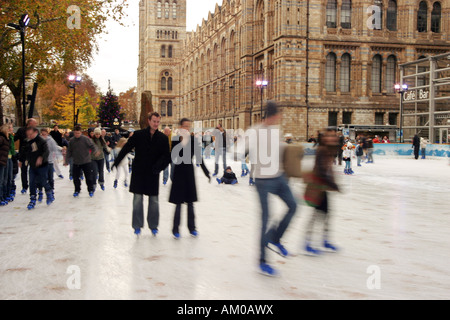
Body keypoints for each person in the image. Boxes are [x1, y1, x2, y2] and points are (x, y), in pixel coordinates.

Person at [249, 101, 298, 276]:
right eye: (278, 115)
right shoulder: (255, 131)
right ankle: (262, 261)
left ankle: (275, 238)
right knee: (265, 218)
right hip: (263, 180)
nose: (279, 118)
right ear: (273, 115)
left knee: (293, 205)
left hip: (278, 177)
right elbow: (243, 150)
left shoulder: (275, 131)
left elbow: (279, 149)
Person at [113, 112, 171, 237]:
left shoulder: (162, 138)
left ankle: (153, 226)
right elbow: (126, 148)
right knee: (137, 200)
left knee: (154, 201)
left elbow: (166, 157)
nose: (156, 124)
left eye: (157, 122)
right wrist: (117, 162)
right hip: (139, 173)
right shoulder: (138, 135)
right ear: (149, 121)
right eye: (154, 121)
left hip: (153, 173)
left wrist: (158, 168)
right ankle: (137, 225)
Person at [169, 118, 210, 239]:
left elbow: (199, 157)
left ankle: (192, 228)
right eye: (185, 126)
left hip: (189, 173)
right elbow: (171, 156)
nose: (187, 129)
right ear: (180, 127)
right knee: (178, 203)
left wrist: (206, 172)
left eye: (188, 126)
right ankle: (175, 229)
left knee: (190, 203)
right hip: (178, 173)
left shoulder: (193, 140)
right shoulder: (176, 140)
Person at [303, 129, 340, 255]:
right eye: (330, 136)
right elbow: (321, 170)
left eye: (334, 137)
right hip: (318, 187)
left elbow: (328, 169)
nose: (333, 139)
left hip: (322, 187)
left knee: (326, 214)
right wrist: (333, 184)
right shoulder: (322, 150)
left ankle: (324, 240)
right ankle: (307, 243)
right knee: (316, 215)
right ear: (324, 138)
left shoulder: (328, 150)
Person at [23, 127, 54, 209]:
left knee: (43, 181)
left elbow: (46, 151)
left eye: (31, 134)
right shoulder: (27, 141)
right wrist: (23, 159)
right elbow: (26, 152)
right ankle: (32, 199)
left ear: (35, 132)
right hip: (32, 165)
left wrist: (41, 157)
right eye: (28, 135)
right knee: (32, 182)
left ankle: (49, 191)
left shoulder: (41, 141)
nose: (29, 136)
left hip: (42, 165)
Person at [66, 125, 100, 198]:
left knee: (89, 177)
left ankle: (90, 190)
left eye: (78, 133)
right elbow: (69, 151)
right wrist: (66, 160)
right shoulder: (72, 140)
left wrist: (95, 151)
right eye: (75, 133)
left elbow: (92, 146)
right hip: (76, 162)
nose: (77, 135)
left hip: (86, 161)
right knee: (76, 178)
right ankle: (77, 190)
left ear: (80, 132)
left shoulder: (86, 139)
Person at [38, 129, 62, 201]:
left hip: (49, 161)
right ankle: (40, 192)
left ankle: (51, 191)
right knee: (41, 178)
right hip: (41, 163)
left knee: (50, 178)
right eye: (42, 134)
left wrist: (58, 156)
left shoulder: (50, 140)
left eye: (45, 134)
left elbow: (55, 148)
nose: (43, 136)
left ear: (47, 134)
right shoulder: (38, 140)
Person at [15, 118, 38, 194]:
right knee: (24, 170)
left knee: (34, 170)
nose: (36, 125)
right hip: (24, 154)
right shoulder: (21, 130)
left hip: (33, 154)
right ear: (30, 123)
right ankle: (25, 186)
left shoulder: (35, 131)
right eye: (35, 123)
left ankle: (35, 185)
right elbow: (14, 139)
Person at [0, 125, 10, 206]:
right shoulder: (1, 138)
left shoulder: (7, 139)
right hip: (1, 162)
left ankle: (3, 196)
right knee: (1, 181)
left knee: (3, 180)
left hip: (4, 161)